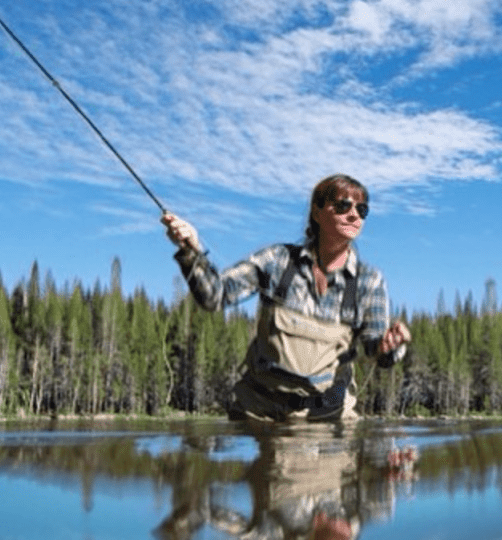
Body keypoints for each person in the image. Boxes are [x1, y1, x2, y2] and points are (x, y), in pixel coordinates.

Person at [162, 174, 410, 420]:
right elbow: (214, 296)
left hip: (330, 420)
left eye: (362, 209)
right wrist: (190, 250)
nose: (354, 215)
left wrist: (390, 347)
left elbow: (378, 353)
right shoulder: (276, 260)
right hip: (260, 416)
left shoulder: (370, 281)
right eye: (344, 205)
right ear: (317, 212)